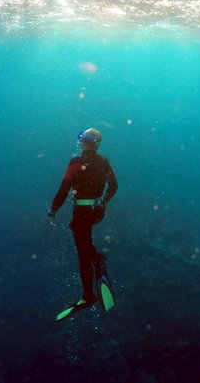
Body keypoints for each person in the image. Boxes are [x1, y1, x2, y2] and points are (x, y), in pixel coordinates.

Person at [48, 128, 118, 321]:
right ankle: (96, 260)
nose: (83, 142)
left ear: (85, 143)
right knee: (85, 246)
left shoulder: (75, 162)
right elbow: (114, 186)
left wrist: (53, 209)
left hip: (81, 213)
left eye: (84, 139)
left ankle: (88, 294)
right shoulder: (103, 161)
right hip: (96, 212)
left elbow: (64, 189)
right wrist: (102, 202)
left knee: (82, 252)